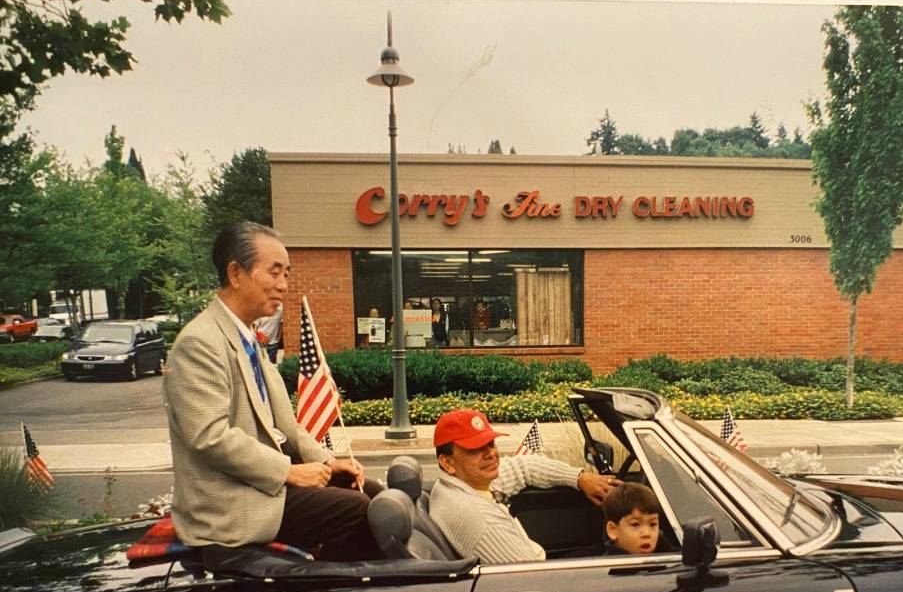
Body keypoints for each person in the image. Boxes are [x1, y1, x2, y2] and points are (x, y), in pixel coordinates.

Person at [163, 221, 384, 561]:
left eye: (286, 274)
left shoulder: (249, 339)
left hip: (262, 485)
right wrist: (289, 471)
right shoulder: (200, 342)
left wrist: (327, 461)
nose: (283, 285)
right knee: (356, 509)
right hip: (230, 505)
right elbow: (209, 436)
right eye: (275, 273)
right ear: (236, 273)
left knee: (373, 493)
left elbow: (287, 427)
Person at [429, 408, 619, 564]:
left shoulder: (465, 482)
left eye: (490, 444)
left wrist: (580, 477)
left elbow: (524, 466)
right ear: (447, 462)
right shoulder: (477, 517)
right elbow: (529, 574)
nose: (491, 454)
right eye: (475, 449)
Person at [603, 482, 665, 556]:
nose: (646, 533)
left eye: (652, 524)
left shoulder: (668, 556)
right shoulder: (609, 565)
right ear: (613, 530)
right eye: (635, 525)